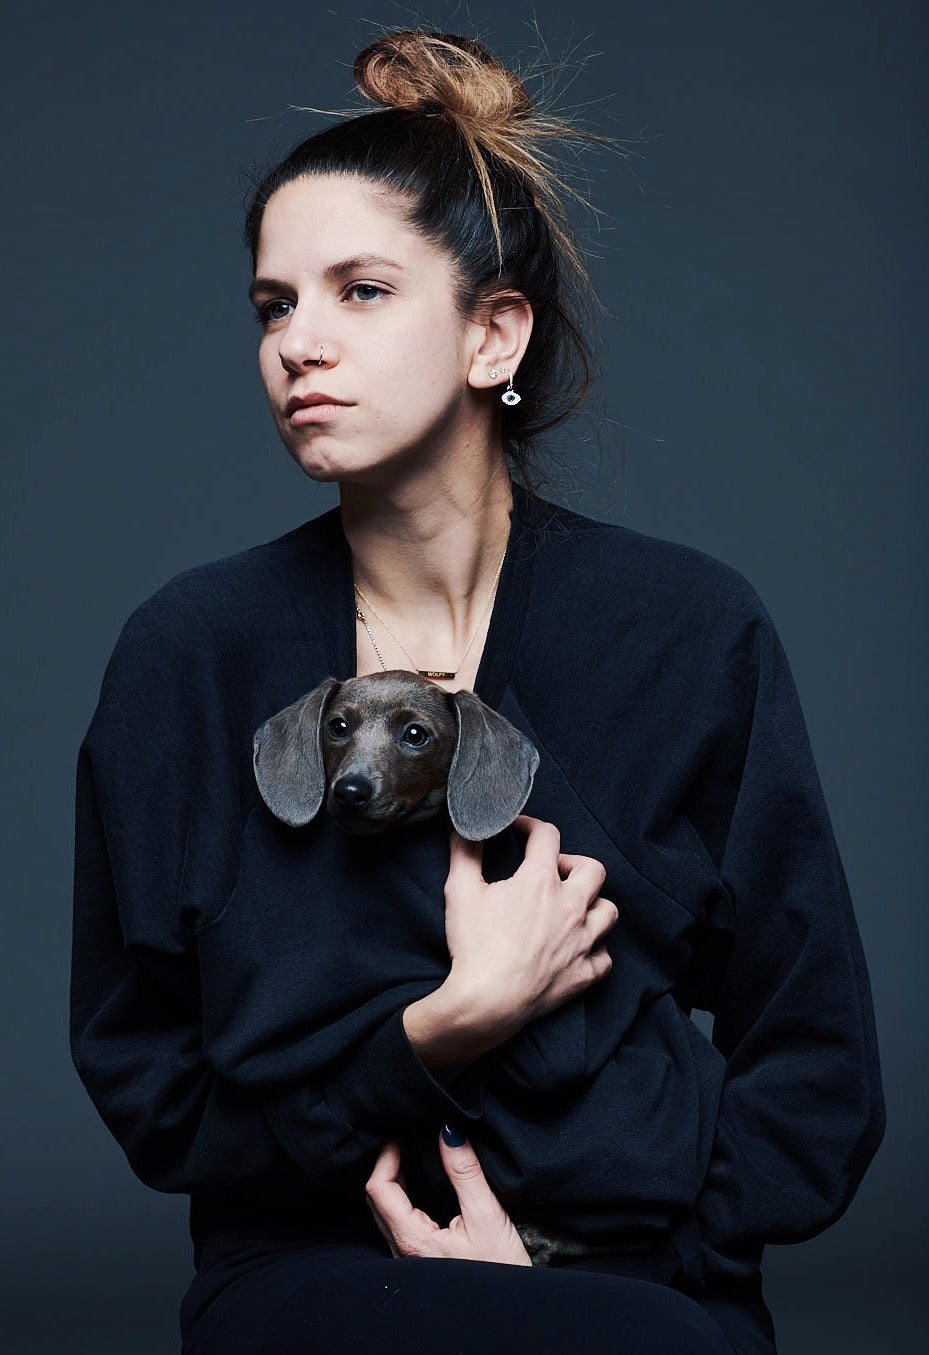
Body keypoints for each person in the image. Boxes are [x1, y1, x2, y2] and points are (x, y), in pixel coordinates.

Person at [70, 29, 885, 1355]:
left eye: (360, 291)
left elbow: (816, 1057)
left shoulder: (687, 629)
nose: (297, 343)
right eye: (273, 305)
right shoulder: (190, 654)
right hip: (320, 1269)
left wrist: (620, 1255)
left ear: (492, 331)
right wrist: (444, 1030)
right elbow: (150, 1085)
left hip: (648, 1276)